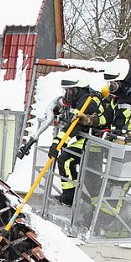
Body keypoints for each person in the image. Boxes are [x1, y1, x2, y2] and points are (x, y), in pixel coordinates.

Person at [50, 69, 106, 206]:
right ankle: (70, 197)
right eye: (67, 90)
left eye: (71, 91)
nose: (68, 94)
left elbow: (73, 125)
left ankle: (91, 206)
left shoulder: (88, 101)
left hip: (95, 142)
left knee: (90, 177)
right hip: (86, 139)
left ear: (79, 89)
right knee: (66, 160)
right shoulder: (81, 99)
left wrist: (58, 143)